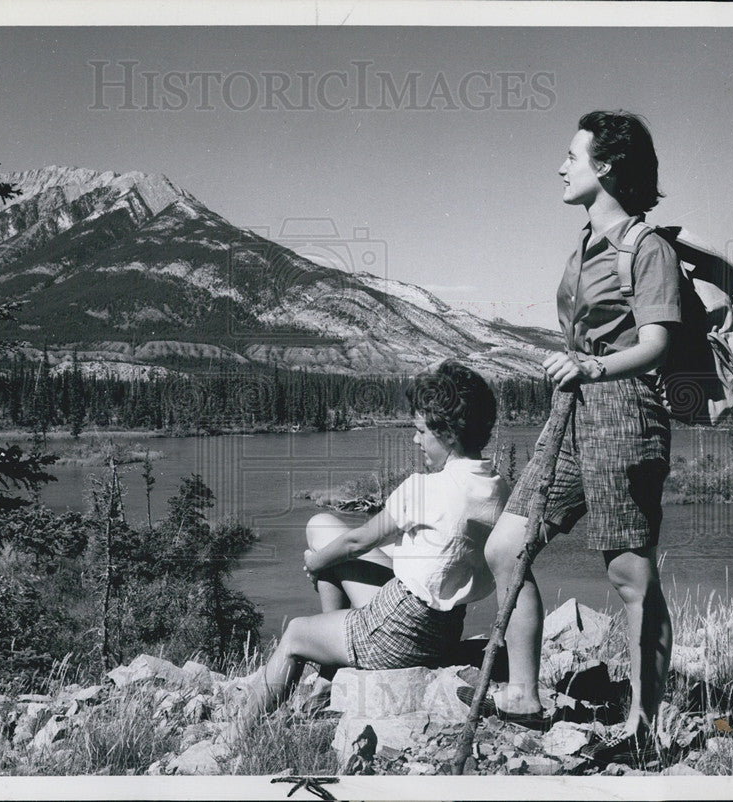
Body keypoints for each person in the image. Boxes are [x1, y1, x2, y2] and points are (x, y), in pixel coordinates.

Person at [482, 110, 679, 763]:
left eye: (573, 155)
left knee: (627, 573)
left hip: (625, 411)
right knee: (507, 546)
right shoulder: (586, 243)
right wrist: (573, 368)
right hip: (571, 411)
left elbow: (656, 342)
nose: (561, 166)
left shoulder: (646, 248)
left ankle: (646, 729)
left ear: (608, 167)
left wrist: (593, 364)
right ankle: (521, 696)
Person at [226, 360, 509, 736]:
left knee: (295, 632)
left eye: (421, 431)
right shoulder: (498, 487)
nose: (416, 439)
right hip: (441, 628)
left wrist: (314, 564)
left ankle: (236, 738)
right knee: (320, 525)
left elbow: (359, 541)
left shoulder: (427, 488)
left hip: (394, 630)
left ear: (448, 434)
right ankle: (333, 667)